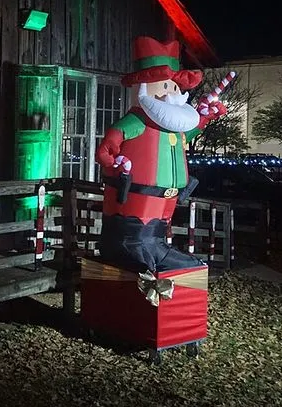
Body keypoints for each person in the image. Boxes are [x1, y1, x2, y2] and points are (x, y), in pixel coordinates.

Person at [96, 36, 226, 272]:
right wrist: (114, 161)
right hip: (136, 193)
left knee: (157, 229)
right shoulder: (137, 121)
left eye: (176, 87)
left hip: (168, 194)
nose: (173, 94)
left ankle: (154, 247)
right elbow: (107, 147)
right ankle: (130, 248)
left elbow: (189, 133)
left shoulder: (171, 125)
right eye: (166, 86)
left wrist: (205, 117)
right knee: (136, 228)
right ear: (142, 87)